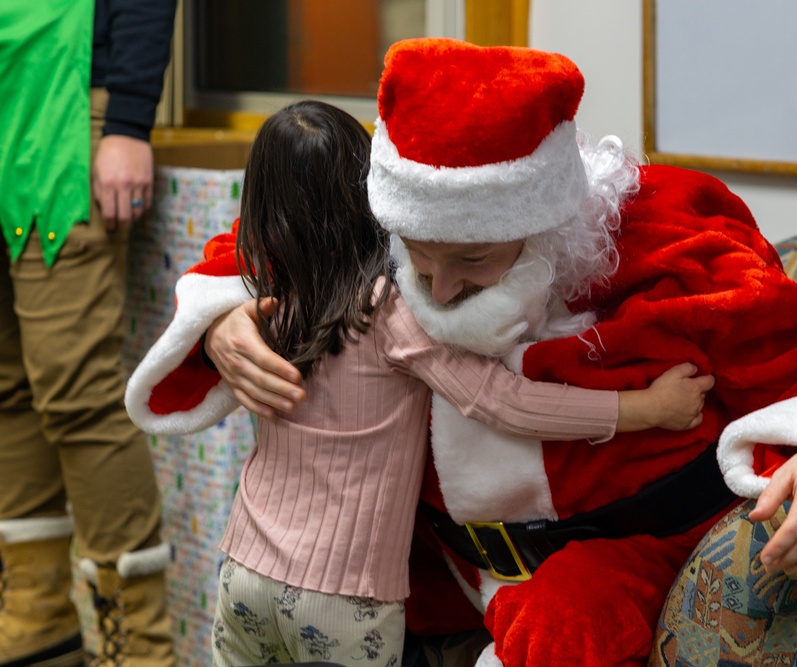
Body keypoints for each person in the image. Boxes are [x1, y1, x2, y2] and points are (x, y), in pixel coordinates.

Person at [127, 39, 797, 667]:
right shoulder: (389, 215)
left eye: (475, 263)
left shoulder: (665, 239)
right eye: (419, 259)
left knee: (566, 627)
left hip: (610, 548)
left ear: (544, 220)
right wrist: (225, 320)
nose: (439, 291)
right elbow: (253, 252)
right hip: (424, 566)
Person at [125, 99, 714, 666]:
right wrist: (643, 408)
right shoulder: (386, 309)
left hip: (242, 569)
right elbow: (500, 401)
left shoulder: (258, 297)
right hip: (341, 595)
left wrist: (215, 322)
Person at [0, 1, 177, 666]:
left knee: (77, 392)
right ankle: (39, 610)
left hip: (66, 108)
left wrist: (129, 118)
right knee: (7, 383)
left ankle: (139, 645)